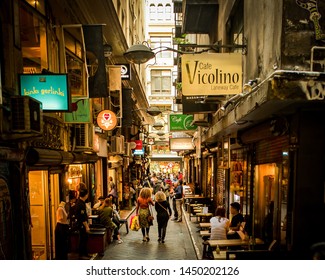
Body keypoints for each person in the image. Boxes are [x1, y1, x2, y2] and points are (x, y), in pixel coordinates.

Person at [74, 187, 90, 259]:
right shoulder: (81, 204)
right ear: (86, 195)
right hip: (82, 225)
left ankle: (84, 254)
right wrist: (86, 226)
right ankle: (82, 254)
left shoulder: (80, 202)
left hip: (81, 224)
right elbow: (82, 216)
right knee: (83, 239)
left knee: (84, 239)